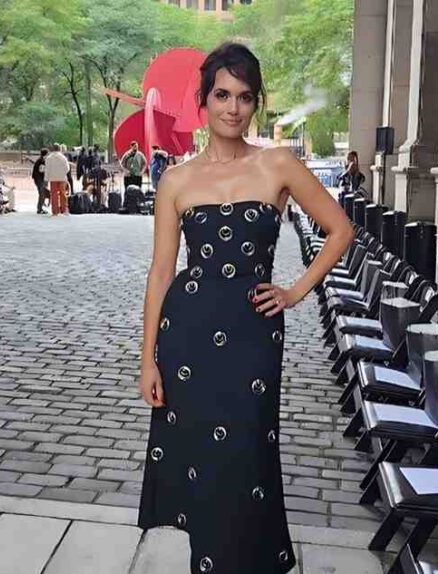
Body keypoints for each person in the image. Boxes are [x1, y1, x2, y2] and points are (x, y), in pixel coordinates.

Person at [136, 42, 353, 574]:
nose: (233, 107)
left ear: (257, 103)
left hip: (253, 335)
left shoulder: (277, 163)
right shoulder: (177, 179)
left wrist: (295, 291)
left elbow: (340, 229)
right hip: (186, 335)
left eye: (246, 97)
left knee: (246, 457)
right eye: (222, 94)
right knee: (203, 465)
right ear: (204, 100)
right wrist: (148, 359)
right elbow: (162, 271)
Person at [45, 143, 71, 216]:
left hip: (53, 178)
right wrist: (63, 173)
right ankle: (64, 210)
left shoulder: (49, 158)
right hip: (62, 178)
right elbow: (67, 168)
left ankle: (55, 211)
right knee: (63, 194)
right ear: (59, 149)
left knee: (54, 195)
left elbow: (47, 169)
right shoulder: (63, 157)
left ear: (53, 149)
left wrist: (46, 179)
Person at [32, 149, 49, 214]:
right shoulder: (42, 161)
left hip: (38, 179)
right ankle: (39, 209)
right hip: (39, 179)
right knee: (42, 194)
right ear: (45, 154)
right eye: (47, 154)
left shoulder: (40, 160)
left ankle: (40, 207)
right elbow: (41, 170)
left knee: (42, 194)